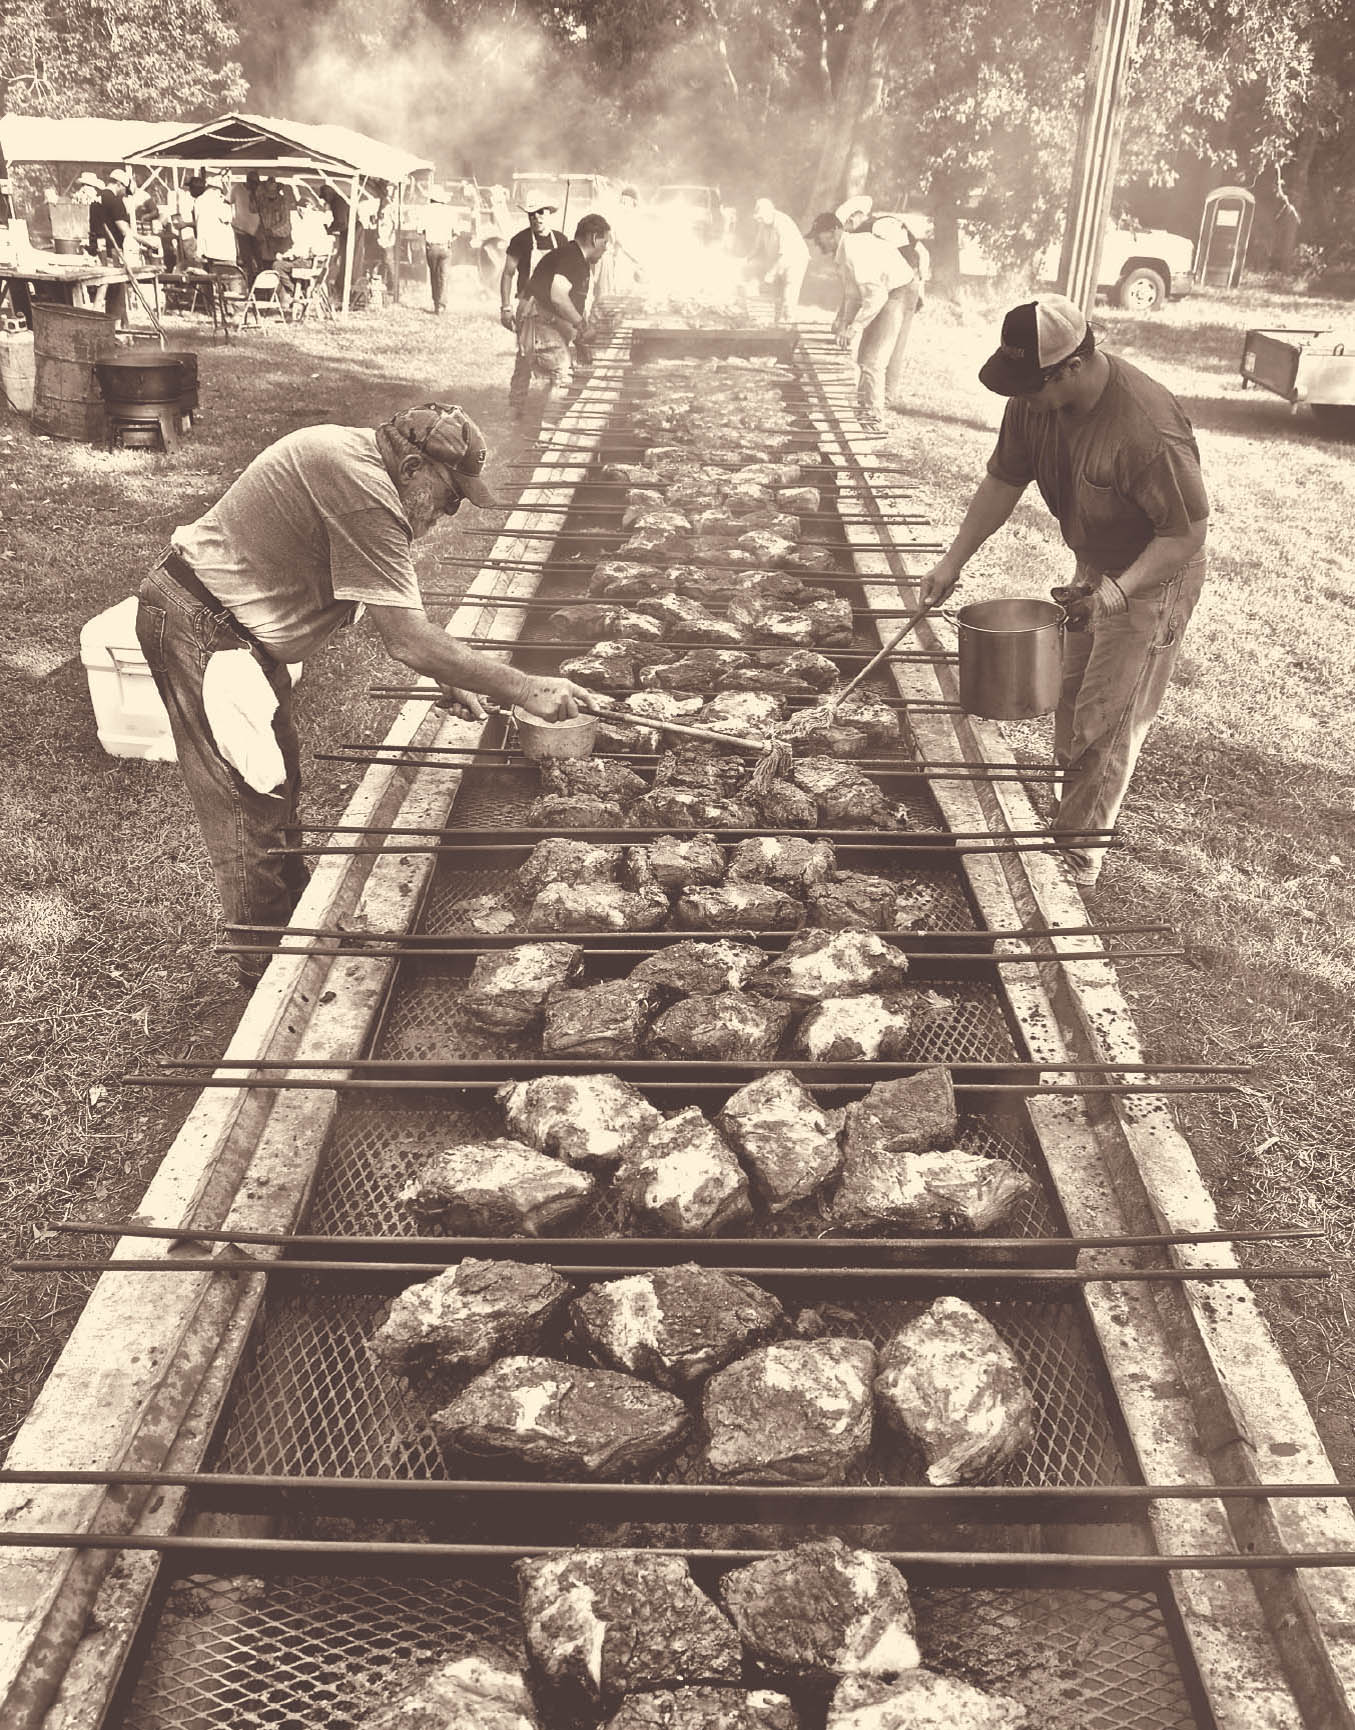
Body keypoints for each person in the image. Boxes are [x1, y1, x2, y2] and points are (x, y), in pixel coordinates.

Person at [135, 404, 599, 982]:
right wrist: (526, 687)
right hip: (205, 631)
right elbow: (406, 640)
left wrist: (448, 670)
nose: (448, 513)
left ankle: (291, 929)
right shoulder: (363, 489)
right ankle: (265, 969)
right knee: (244, 806)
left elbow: (399, 618)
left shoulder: (362, 460)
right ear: (412, 465)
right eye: (450, 497)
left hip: (238, 636)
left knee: (276, 786)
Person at [919, 294, 1209, 888]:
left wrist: (1118, 593)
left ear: (1072, 366)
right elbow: (1004, 478)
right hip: (1095, 563)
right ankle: (1066, 827)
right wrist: (953, 559)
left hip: (1153, 575)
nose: (1020, 399)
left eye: (1030, 386)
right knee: (1072, 694)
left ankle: (1076, 857)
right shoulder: (1036, 398)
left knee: (1108, 714)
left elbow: (1185, 534)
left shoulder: (1145, 428)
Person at [806, 211, 918, 429]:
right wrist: (844, 324)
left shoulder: (855, 251)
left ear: (833, 232)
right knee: (864, 358)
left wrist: (854, 327)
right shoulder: (843, 253)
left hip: (896, 292)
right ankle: (864, 411)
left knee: (873, 360)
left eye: (819, 237)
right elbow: (853, 295)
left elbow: (876, 296)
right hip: (883, 293)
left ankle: (874, 420)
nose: (816, 244)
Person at [517, 213, 612, 424]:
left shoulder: (575, 257)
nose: (606, 248)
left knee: (562, 373)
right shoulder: (572, 258)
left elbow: (562, 309)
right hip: (539, 323)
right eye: (605, 241)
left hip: (545, 322)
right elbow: (558, 297)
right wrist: (581, 326)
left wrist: (578, 339)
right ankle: (547, 435)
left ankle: (530, 420)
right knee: (563, 375)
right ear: (594, 238)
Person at [500, 202, 568, 415]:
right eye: (532, 214)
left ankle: (552, 404)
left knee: (559, 353)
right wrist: (506, 307)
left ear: (549, 214)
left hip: (555, 306)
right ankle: (516, 405)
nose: (536, 217)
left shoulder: (562, 240)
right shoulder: (520, 241)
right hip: (528, 305)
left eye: (541, 212)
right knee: (525, 356)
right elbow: (508, 273)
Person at [748, 197, 809, 324]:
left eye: (761, 217)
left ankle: (788, 325)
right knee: (776, 295)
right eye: (758, 218)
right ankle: (777, 323)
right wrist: (745, 261)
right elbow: (756, 248)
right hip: (780, 259)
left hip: (795, 259)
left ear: (769, 212)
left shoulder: (783, 223)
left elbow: (785, 256)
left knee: (789, 294)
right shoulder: (764, 223)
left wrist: (770, 275)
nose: (759, 220)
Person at [420, 186, 458, 314]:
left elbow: (420, 230)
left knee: (434, 275)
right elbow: (457, 232)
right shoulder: (450, 211)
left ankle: (436, 303)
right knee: (444, 277)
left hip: (432, 247)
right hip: (445, 247)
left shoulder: (425, 210)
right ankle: (442, 305)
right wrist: (449, 242)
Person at [231, 170, 263, 281]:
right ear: (247, 181)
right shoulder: (237, 189)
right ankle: (248, 281)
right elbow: (227, 202)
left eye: (256, 183)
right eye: (252, 183)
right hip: (241, 229)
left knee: (259, 258)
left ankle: (260, 283)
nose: (254, 185)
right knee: (246, 259)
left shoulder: (259, 192)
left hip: (256, 231)